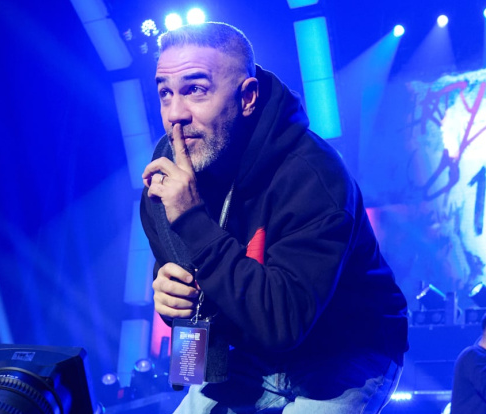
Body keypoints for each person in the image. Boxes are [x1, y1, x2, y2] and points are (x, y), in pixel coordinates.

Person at [140, 21, 408, 413]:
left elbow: (283, 324)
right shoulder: (168, 177)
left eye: (196, 90)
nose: (175, 114)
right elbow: (192, 293)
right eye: (166, 93)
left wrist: (193, 221)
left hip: (344, 352)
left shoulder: (313, 175)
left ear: (247, 97)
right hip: (249, 354)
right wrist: (172, 297)